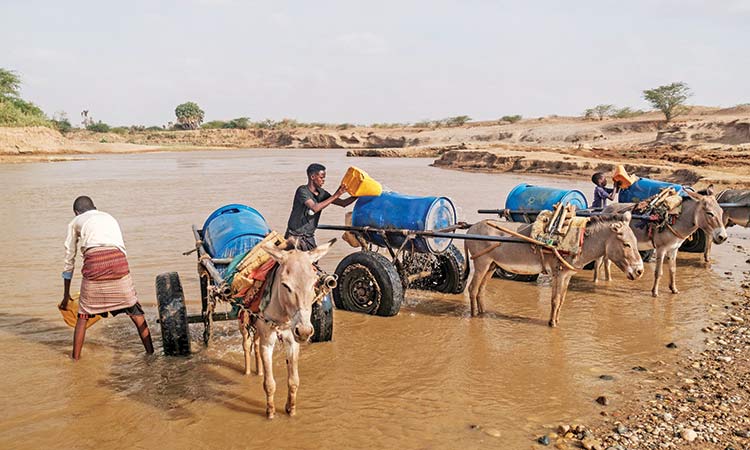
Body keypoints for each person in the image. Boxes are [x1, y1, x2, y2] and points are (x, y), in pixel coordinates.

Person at [59, 196, 154, 360]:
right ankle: (151, 354)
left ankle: (75, 361)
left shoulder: (75, 222)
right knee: (134, 310)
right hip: (119, 262)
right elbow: (120, 247)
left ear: (76, 212)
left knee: (83, 315)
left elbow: (69, 259)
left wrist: (66, 295)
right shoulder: (109, 217)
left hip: (95, 264)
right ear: (95, 207)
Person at [285, 163, 356, 250]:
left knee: (314, 261)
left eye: (324, 178)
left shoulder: (322, 193)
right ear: (312, 177)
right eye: (321, 177)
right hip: (294, 237)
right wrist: (336, 195)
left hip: (308, 237)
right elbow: (314, 208)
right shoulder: (302, 190)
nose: (323, 180)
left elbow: (343, 203)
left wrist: (358, 195)